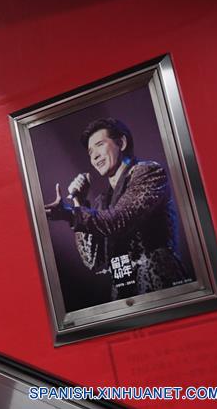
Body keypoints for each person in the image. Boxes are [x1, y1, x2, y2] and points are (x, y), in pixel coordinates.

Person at [45, 118, 189, 300]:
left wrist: (71, 215)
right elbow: (91, 260)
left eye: (99, 145)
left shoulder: (147, 172)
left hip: (159, 285)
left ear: (121, 143)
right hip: (124, 294)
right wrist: (79, 202)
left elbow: (119, 220)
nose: (94, 156)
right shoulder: (102, 202)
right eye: (90, 152)